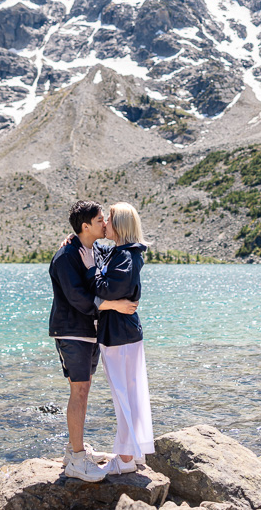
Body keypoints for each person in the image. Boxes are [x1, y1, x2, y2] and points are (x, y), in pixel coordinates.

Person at [48, 200, 138, 482]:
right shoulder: (66, 256)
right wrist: (114, 306)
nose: (104, 223)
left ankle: (74, 450)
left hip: (89, 332)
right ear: (86, 226)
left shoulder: (94, 249)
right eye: (100, 220)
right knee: (80, 391)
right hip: (72, 331)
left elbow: (107, 275)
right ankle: (76, 458)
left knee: (83, 390)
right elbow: (79, 300)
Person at [80, 202, 154, 475]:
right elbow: (102, 256)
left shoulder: (126, 257)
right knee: (128, 395)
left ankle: (124, 459)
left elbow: (107, 289)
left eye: (108, 219)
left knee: (125, 396)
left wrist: (89, 269)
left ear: (119, 225)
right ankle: (132, 454)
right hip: (122, 333)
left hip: (120, 335)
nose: (104, 224)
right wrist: (82, 241)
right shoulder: (123, 252)